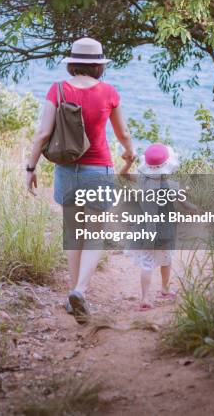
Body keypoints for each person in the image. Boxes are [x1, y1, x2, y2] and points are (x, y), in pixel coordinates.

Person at [26, 37, 136, 323]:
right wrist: (130, 153)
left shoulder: (58, 89)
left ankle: (72, 294)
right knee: (94, 235)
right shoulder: (109, 92)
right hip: (98, 170)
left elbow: (42, 134)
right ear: (99, 65)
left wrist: (31, 167)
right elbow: (123, 133)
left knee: (73, 233)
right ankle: (80, 290)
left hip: (66, 169)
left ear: (73, 63)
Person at [120, 143, 198, 311]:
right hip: (164, 232)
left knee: (147, 264)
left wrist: (128, 162)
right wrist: (193, 209)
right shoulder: (172, 186)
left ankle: (145, 298)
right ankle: (164, 288)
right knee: (166, 259)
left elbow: (123, 174)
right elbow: (187, 205)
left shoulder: (142, 180)